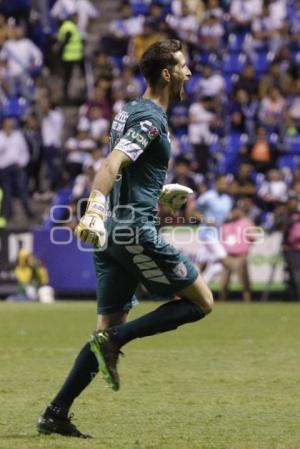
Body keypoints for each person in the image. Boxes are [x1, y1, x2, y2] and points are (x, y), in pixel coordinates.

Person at [37, 39, 214, 438]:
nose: (189, 72)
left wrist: (159, 193)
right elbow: (112, 163)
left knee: (105, 326)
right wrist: (94, 207)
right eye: (183, 66)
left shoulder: (129, 111)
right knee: (202, 302)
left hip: (115, 235)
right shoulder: (151, 118)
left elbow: (130, 168)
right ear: (167, 74)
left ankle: (56, 410)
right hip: (132, 229)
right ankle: (117, 340)